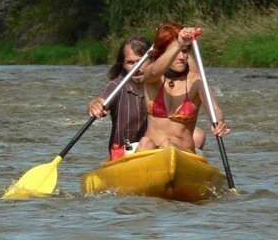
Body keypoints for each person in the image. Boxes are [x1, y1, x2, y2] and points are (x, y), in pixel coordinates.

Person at [138, 22, 230, 153]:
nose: (181, 57)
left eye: (185, 51)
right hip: (151, 150)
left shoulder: (196, 81)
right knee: (145, 142)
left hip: (182, 152)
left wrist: (219, 121)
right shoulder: (151, 78)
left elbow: (214, 109)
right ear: (162, 54)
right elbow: (154, 72)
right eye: (176, 52)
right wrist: (179, 44)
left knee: (166, 145)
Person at [88, 37, 149, 156]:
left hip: (154, 150)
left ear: (152, 61)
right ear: (123, 65)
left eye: (141, 61)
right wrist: (95, 105)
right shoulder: (116, 86)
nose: (137, 68)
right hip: (124, 152)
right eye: (131, 62)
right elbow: (101, 99)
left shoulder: (162, 85)